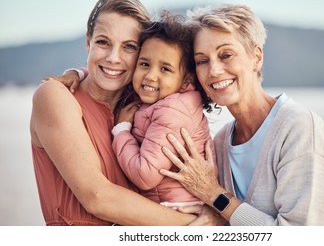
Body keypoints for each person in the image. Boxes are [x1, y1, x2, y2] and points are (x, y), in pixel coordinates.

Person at [30, 0, 222, 226]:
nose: (113, 58)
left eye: (129, 47)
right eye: (103, 42)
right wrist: (199, 225)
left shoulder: (138, 102)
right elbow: (97, 198)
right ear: (88, 43)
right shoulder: (55, 95)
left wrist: (214, 202)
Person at [159, 4, 324, 225]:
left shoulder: (300, 129)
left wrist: (213, 194)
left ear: (256, 57)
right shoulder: (220, 142)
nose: (214, 70)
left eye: (226, 55)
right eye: (202, 61)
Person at [64, 12, 217, 209]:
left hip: (177, 211)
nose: (150, 76)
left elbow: (145, 175)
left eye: (165, 69)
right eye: (144, 64)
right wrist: (77, 73)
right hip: (165, 205)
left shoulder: (172, 111)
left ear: (186, 79)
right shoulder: (159, 96)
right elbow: (115, 74)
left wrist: (121, 131)